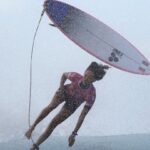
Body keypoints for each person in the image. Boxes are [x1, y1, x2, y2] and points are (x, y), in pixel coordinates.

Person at [25, 62, 110, 150]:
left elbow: (82, 116)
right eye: (85, 74)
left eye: (89, 77)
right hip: (65, 92)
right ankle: (32, 127)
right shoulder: (75, 76)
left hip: (73, 104)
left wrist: (74, 134)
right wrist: (61, 89)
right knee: (51, 107)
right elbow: (64, 75)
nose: (85, 78)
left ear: (94, 80)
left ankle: (35, 146)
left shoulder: (91, 94)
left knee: (53, 123)